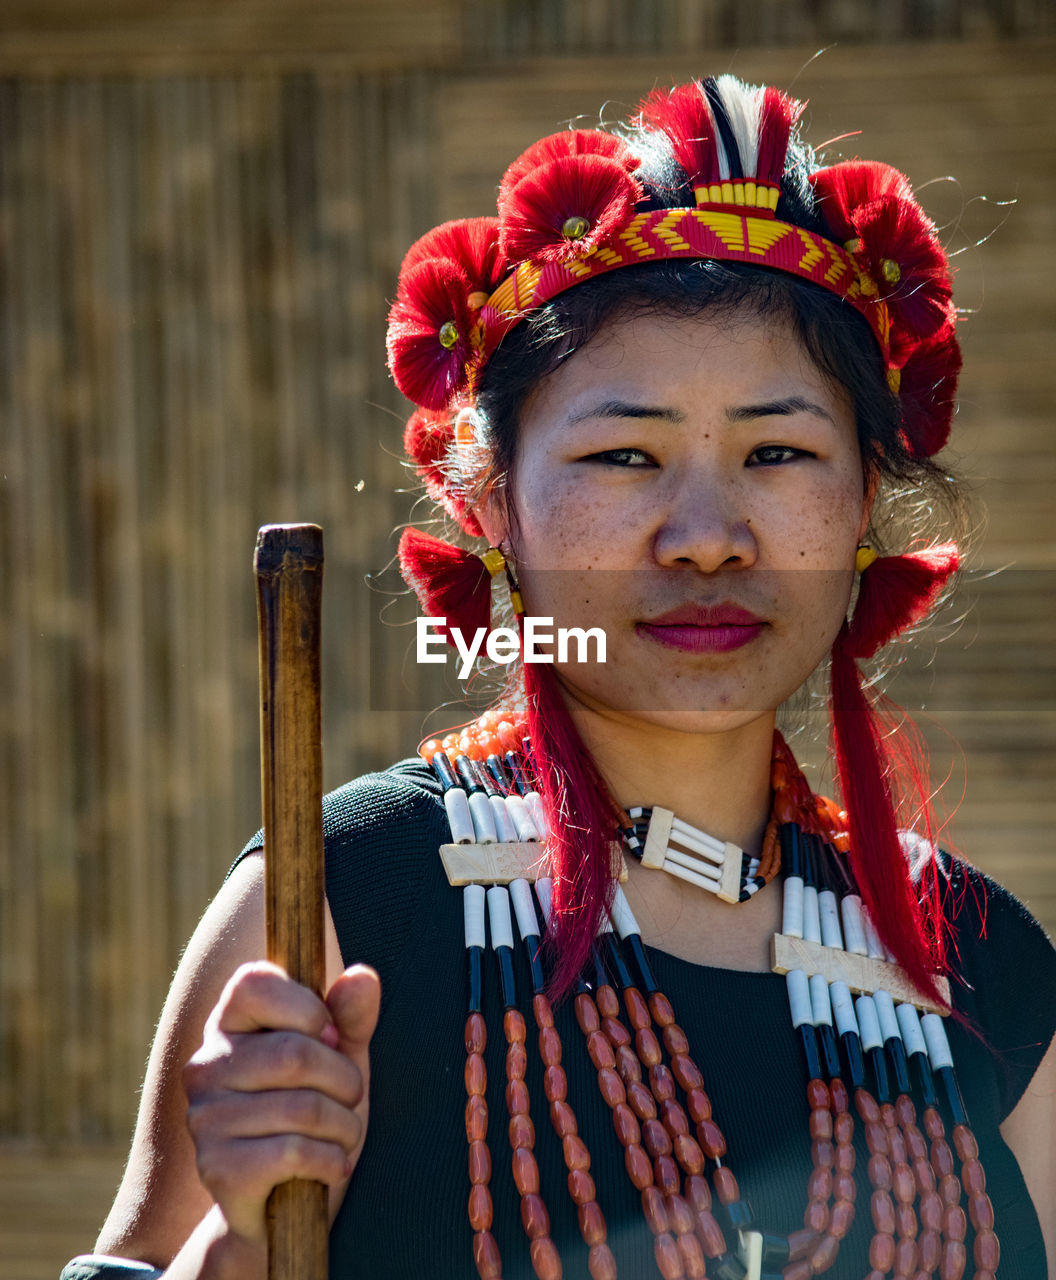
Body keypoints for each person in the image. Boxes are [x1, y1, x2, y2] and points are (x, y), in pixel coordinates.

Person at [64, 74, 1054, 1280]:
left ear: (864, 506)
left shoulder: (988, 964)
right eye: (623, 453)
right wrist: (237, 1236)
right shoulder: (341, 895)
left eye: (779, 450)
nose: (705, 533)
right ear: (492, 508)